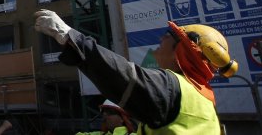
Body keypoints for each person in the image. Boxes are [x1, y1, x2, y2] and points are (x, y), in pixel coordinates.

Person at [33, 9, 238, 134]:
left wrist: (68, 36)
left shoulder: (173, 88)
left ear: (183, 51)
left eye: (169, 35)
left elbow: (123, 76)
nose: (161, 39)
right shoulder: (202, 101)